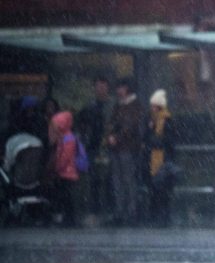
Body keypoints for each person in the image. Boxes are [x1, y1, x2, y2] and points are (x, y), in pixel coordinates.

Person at [76, 76, 114, 224]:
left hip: (107, 147)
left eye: (103, 86)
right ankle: (95, 210)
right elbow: (81, 122)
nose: (100, 89)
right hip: (92, 146)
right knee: (93, 181)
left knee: (109, 180)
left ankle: (108, 211)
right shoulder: (89, 105)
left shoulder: (112, 105)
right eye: (98, 86)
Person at [106, 78, 143, 225]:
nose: (118, 91)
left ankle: (130, 211)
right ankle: (120, 211)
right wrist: (110, 135)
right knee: (118, 181)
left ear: (126, 89)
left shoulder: (135, 106)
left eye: (120, 88)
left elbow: (131, 126)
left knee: (127, 180)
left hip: (127, 148)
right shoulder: (118, 106)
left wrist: (117, 137)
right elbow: (112, 123)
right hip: (117, 148)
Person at [144, 89, 176, 225]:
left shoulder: (166, 120)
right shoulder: (152, 120)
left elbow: (167, 141)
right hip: (154, 159)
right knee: (155, 188)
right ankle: (157, 216)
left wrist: (153, 138)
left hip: (163, 159)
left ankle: (162, 217)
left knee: (162, 190)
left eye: (153, 106)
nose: (151, 108)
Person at [48, 111, 79, 226]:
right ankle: (68, 217)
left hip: (67, 172)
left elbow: (65, 157)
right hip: (66, 171)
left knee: (66, 196)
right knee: (65, 196)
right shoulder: (65, 137)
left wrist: (57, 167)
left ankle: (69, 218)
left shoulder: (68, 139)